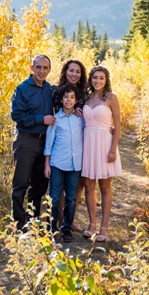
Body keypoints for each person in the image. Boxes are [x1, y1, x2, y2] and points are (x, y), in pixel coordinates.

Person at [10, 54, 55, 231]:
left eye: (45, 68)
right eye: (38, 67)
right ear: (31, 68)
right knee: (21, 183)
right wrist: (40, 119)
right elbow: (17, 116)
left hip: (44, 143)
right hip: (26, 141)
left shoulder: (49, 89)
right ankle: (18, 223)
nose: (42, 71)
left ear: (49, 70)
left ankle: (33, 219)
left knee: (39, 184)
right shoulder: (22, 89)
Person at [80, 65, 122, 242]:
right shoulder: (86, 98)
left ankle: (104, 227)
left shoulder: (111, 98)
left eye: (101, 78)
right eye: (95, 77)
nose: (97, 81)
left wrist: (113, 149)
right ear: (90, 79)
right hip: (88, 143)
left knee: (105, 187)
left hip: (105, 144)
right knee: (89, 186)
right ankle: (92, 224)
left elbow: (118, 125)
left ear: (106, 80)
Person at [43, 83, 85, 243]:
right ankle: (52, 229)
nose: (69, 100)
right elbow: (49, 143)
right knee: (53, 197)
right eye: (66, 97)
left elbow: (89, 131)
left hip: (75, 165)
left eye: (72, 97)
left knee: (71, 198)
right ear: (61, 99)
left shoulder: (79, 119)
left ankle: (67, 228)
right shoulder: (56, 119)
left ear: (76, 100)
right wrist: (47, 164)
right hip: (57, 163)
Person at [51, 60, 88, 232]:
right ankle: (58, 221)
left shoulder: (84, 94)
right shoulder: (55, 91)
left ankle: (68, 220)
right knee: (58, 190)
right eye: (71, 70)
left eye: (77, 71)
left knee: (75, 187)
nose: (74, 74)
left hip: (78, 144)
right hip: (58, 138)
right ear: (65, 72)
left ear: (81, 75)